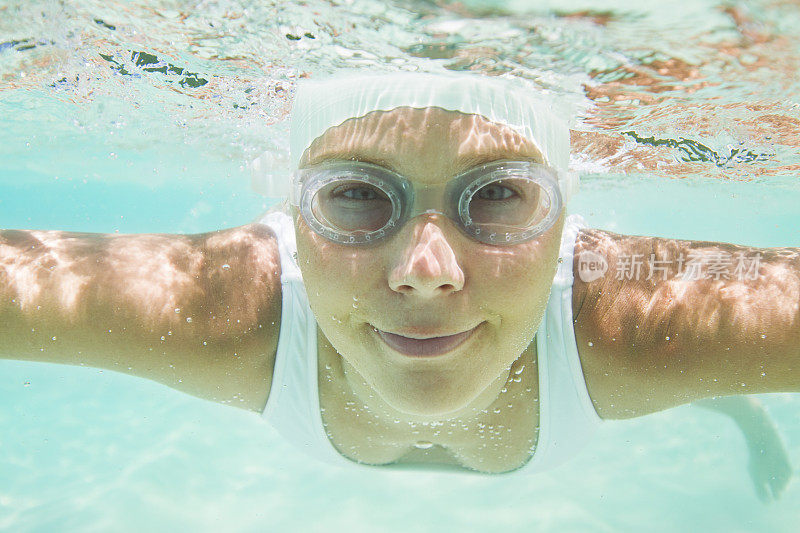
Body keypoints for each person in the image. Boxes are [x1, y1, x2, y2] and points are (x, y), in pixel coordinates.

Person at [0, 73, 797, 486]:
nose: (425, 271)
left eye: (497, 195)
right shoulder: (231, 304)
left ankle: (739, 405)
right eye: (355, 197)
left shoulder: (619, 306)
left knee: (675, 354)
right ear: (294, 215)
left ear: (561, 223)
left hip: (605, 340)